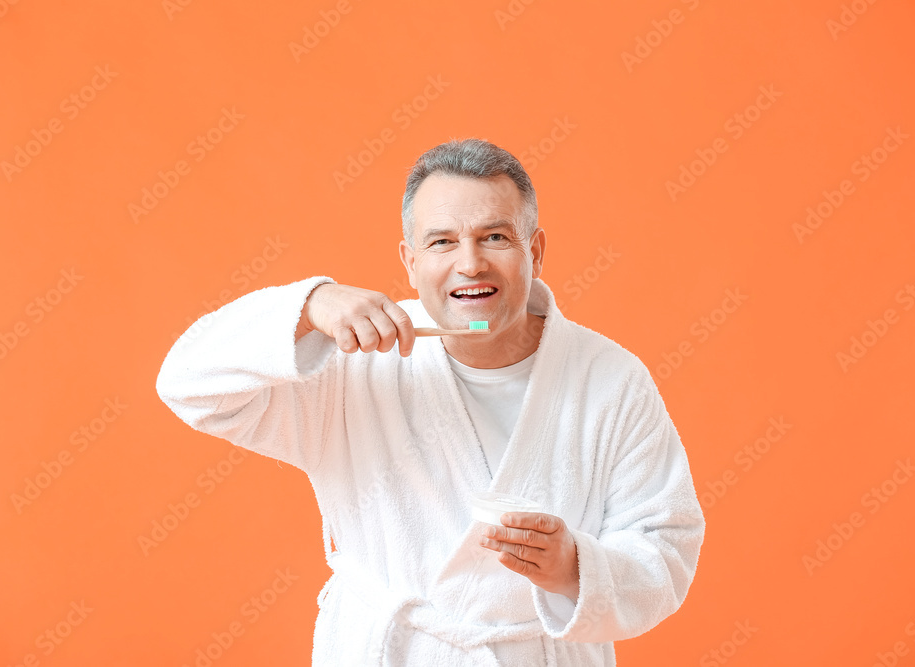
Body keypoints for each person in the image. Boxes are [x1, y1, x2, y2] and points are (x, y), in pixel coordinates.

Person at [156, 138, 705, 666]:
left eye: (495, 237)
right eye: (442, 241)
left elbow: (667, 546)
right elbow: (188, 384)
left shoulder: (610, 380)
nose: (470, 264)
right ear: (410, 260)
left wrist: (573, 568)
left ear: (534, 250)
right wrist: (308, 306)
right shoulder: (353, 361)